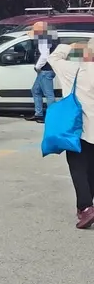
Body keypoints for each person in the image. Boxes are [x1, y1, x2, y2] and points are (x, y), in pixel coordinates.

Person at [47, 40, 94, 228]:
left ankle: (85, 208)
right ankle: (86, 206)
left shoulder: (73, 69)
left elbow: (54, 57)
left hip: (79, 128)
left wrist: (72, 46)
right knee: (91, 168)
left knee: (77, 167)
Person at [25, 21, 59, 123]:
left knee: (49, 94)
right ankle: (38, 114)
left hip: (45, 70)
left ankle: (51, 117)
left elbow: (45, 56)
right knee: (35, 90)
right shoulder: (50, 37)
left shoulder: (43, 39)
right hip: (47, 70)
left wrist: (37, 67)